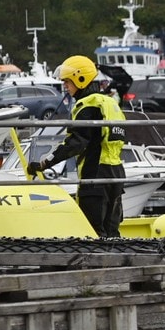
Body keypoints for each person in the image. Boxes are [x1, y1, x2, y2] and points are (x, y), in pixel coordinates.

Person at [27, 55, 126, 237]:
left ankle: (97, 266)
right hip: (116, 175)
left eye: (67, 81)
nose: (65, 85)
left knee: (94, 233)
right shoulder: (109, 102)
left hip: (95, 174)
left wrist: (45, 163)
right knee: (112, 233)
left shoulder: (87, 105)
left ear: (81, 79)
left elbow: (76, 142)